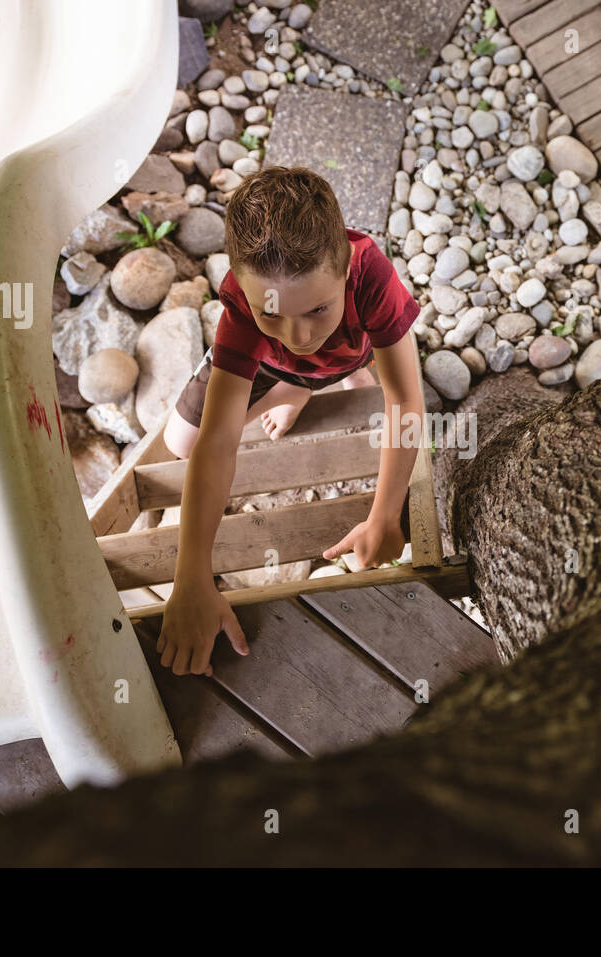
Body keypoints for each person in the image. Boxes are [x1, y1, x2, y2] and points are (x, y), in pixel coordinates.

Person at [156, 165, 424, 677]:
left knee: (353, 363)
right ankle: (295, 385)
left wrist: (385, 515)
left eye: (318, 309)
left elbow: (406, 402)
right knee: (180, 441)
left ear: (346, 268)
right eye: (271, 313)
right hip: (269, 368)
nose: (298, 335)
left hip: (347, 357)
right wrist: (191, 577)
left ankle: (305, 384)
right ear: (242, 288)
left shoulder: (370, 273)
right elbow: (217, 441)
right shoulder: (243, 303)